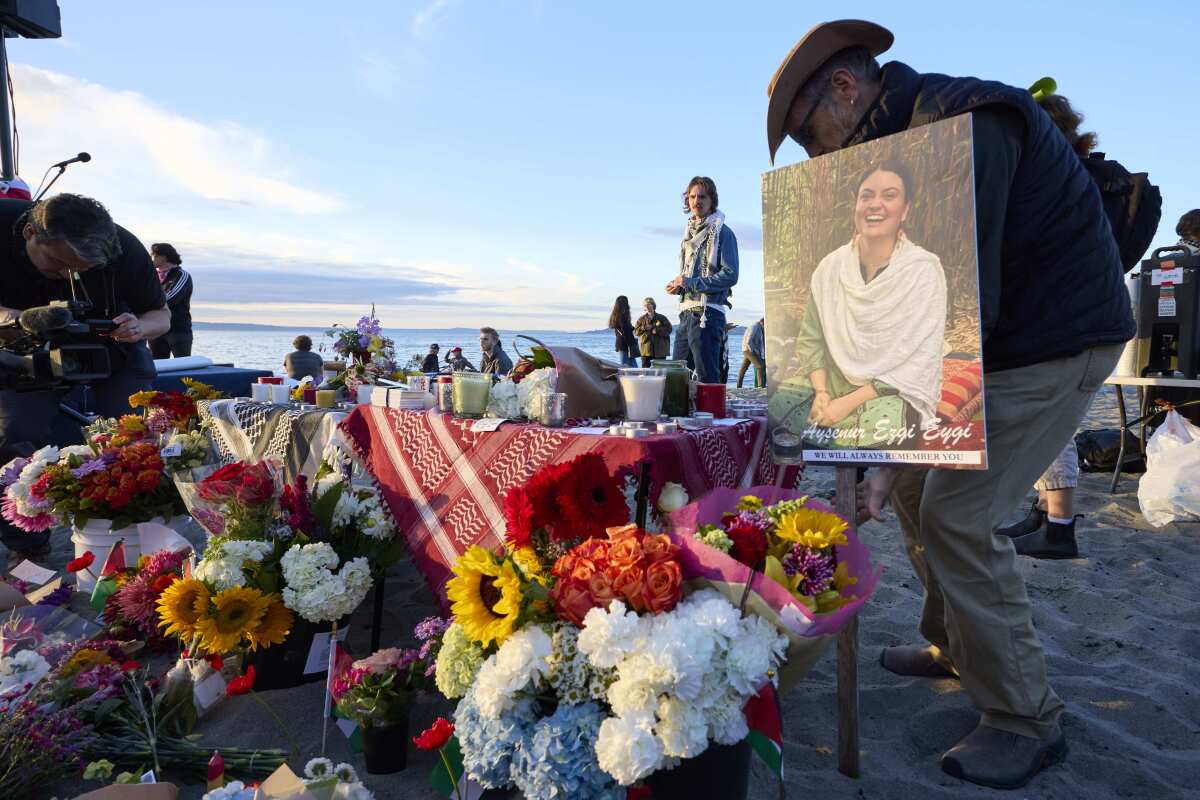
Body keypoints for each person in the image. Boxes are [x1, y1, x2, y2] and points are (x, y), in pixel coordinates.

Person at [767, 21, 1131, 789]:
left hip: (1054, 341)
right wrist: (876, 449)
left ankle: (1025, 717)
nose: (816, 156)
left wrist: (890, 440)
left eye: (809, 134)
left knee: (958, 513)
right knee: (906, 489)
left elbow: (965, 310)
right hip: (1002, 341)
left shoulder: (962, 121)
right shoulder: (903, 149)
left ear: (843, 87)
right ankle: (954, 645)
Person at [0, 193, 168, 558]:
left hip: (112, 349)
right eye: (59, 263)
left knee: (136, 436)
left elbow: (161, 315)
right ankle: (28, 542)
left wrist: (140, 327)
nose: (68, 275)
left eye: (82, 270)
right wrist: (20, 318)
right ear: (30, 232)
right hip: (25, 351)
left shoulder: (125, 248)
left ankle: (138, 530)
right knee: (15, 437)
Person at [997, 95, 1104, 559]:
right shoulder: (1075, 178)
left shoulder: (1053, 181)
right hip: (1074, 325)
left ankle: (1059, 527)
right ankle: (1045, 514)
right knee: (1047, 429)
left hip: (1059, 331)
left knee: (1045, 430)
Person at [793, 161, 946, 435]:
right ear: (856, 205)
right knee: (783, 410)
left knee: (882, 428)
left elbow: (918, 359)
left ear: (905, 209)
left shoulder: (922, 270)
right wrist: (822, 392)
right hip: (833, 381)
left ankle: (879, 476)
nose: (875, 205)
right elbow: (810, 339)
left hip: (892, 389)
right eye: (867, 196)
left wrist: (848, 404)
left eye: (889, 195)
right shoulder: (830, 268)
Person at [666, 176, 739, 383]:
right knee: (677, 377)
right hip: (685, 314)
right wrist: (679, 286)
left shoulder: (723, 233)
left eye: (702, 196)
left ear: (712, 200)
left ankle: (711, 415)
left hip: (707, 314)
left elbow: (731, 275)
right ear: (687, 200)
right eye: (692, 196)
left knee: (707, 379)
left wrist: (690, 283)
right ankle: (681, 416)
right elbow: (691, 275)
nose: (696, 200)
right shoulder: (687, 237)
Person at [148, 243, 193, 359]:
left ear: (164, 256)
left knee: (183, 366)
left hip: (178, 331)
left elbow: (172, 298)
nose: (151, 258)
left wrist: (148, 303)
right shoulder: (152, 277)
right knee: (157, 368)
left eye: (153, 255)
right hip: (156, 329)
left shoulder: (182, 275)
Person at [633, 297, 672, 367]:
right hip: (646, 350)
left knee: (660, 371)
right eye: (645, 305)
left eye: (649, 304)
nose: (647, 307)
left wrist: (657, 330)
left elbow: (669, 329)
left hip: (660, 351)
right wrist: (644, 327)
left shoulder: (662, 318)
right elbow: (635, 332)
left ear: (653, 305)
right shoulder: (641, 319)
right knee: (645, 371)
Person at [608, 295, 639, 367]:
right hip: (626, 343)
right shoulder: (622, 315)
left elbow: (622, 329)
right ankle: (636, 377)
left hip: (621, 342)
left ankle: (633, 377)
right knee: (628, 365)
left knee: (628, 364)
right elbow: (625, 330)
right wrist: (631, 343)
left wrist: (631, 328)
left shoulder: (616, 315)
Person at [738, 317, 767, 388]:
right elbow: (749, 341)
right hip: (749, 351)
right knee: (759, 366)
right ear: (762, 322)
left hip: (746, 350)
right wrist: (754, 351)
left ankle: (738, 386)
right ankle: (760, 386)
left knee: (743, 369)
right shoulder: (755, 327)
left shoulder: (756, 327)